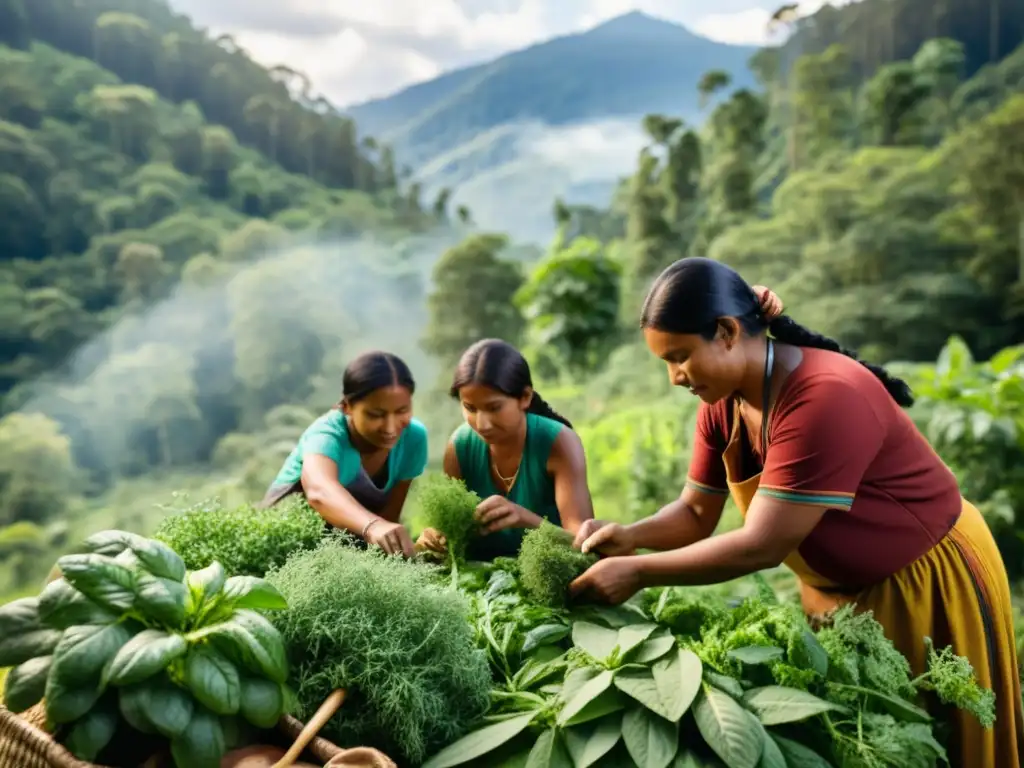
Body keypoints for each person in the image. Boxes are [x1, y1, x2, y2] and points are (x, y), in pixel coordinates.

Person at [568, 257, 1023, 767]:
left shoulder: (823, 397)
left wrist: (637, 572)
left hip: (924, 583)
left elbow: (762, 544)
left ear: (726, 332)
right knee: (869, 741)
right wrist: (629, 535)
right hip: (836, 597)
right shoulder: (723, 403)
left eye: (680, 357)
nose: (675, 377)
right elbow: (695, 511)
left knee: (944, 738)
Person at [416, 338, 595, 560]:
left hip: (553, 574)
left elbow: (585, 542)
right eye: (470, 408)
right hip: (482, 582)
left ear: (525, 397)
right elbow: (451, 533)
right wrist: (433, 537)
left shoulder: (558, 442)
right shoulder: (459, 446)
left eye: (494, 408)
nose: (482, 424)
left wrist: (526, 520)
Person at [259, 350, 427, 558]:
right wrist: (373, 526)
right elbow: (319, 491)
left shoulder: (413, 438)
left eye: (402, 411)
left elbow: (389, 517)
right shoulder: (326, 435)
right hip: (286, 545)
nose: (391, 428)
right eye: (376, 415)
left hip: (347, 549)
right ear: (346, 406)